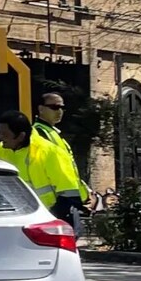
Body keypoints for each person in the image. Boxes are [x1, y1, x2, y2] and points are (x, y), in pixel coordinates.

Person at [32, 90, 90, 232]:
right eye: (54, 107)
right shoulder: (39, 132)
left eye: (62, 108)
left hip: (63, 199)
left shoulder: (52, 133)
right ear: (40, 109)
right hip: (55, 201)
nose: (60, 111)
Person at [0, 112, 62, 211]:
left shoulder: (48, 152)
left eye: (5, 134)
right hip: (22, 215)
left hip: (49, 217)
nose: (0, 137)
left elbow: (67, 192)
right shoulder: (4, 149)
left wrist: (53, 216)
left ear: (21, 136)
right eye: (0, 133)